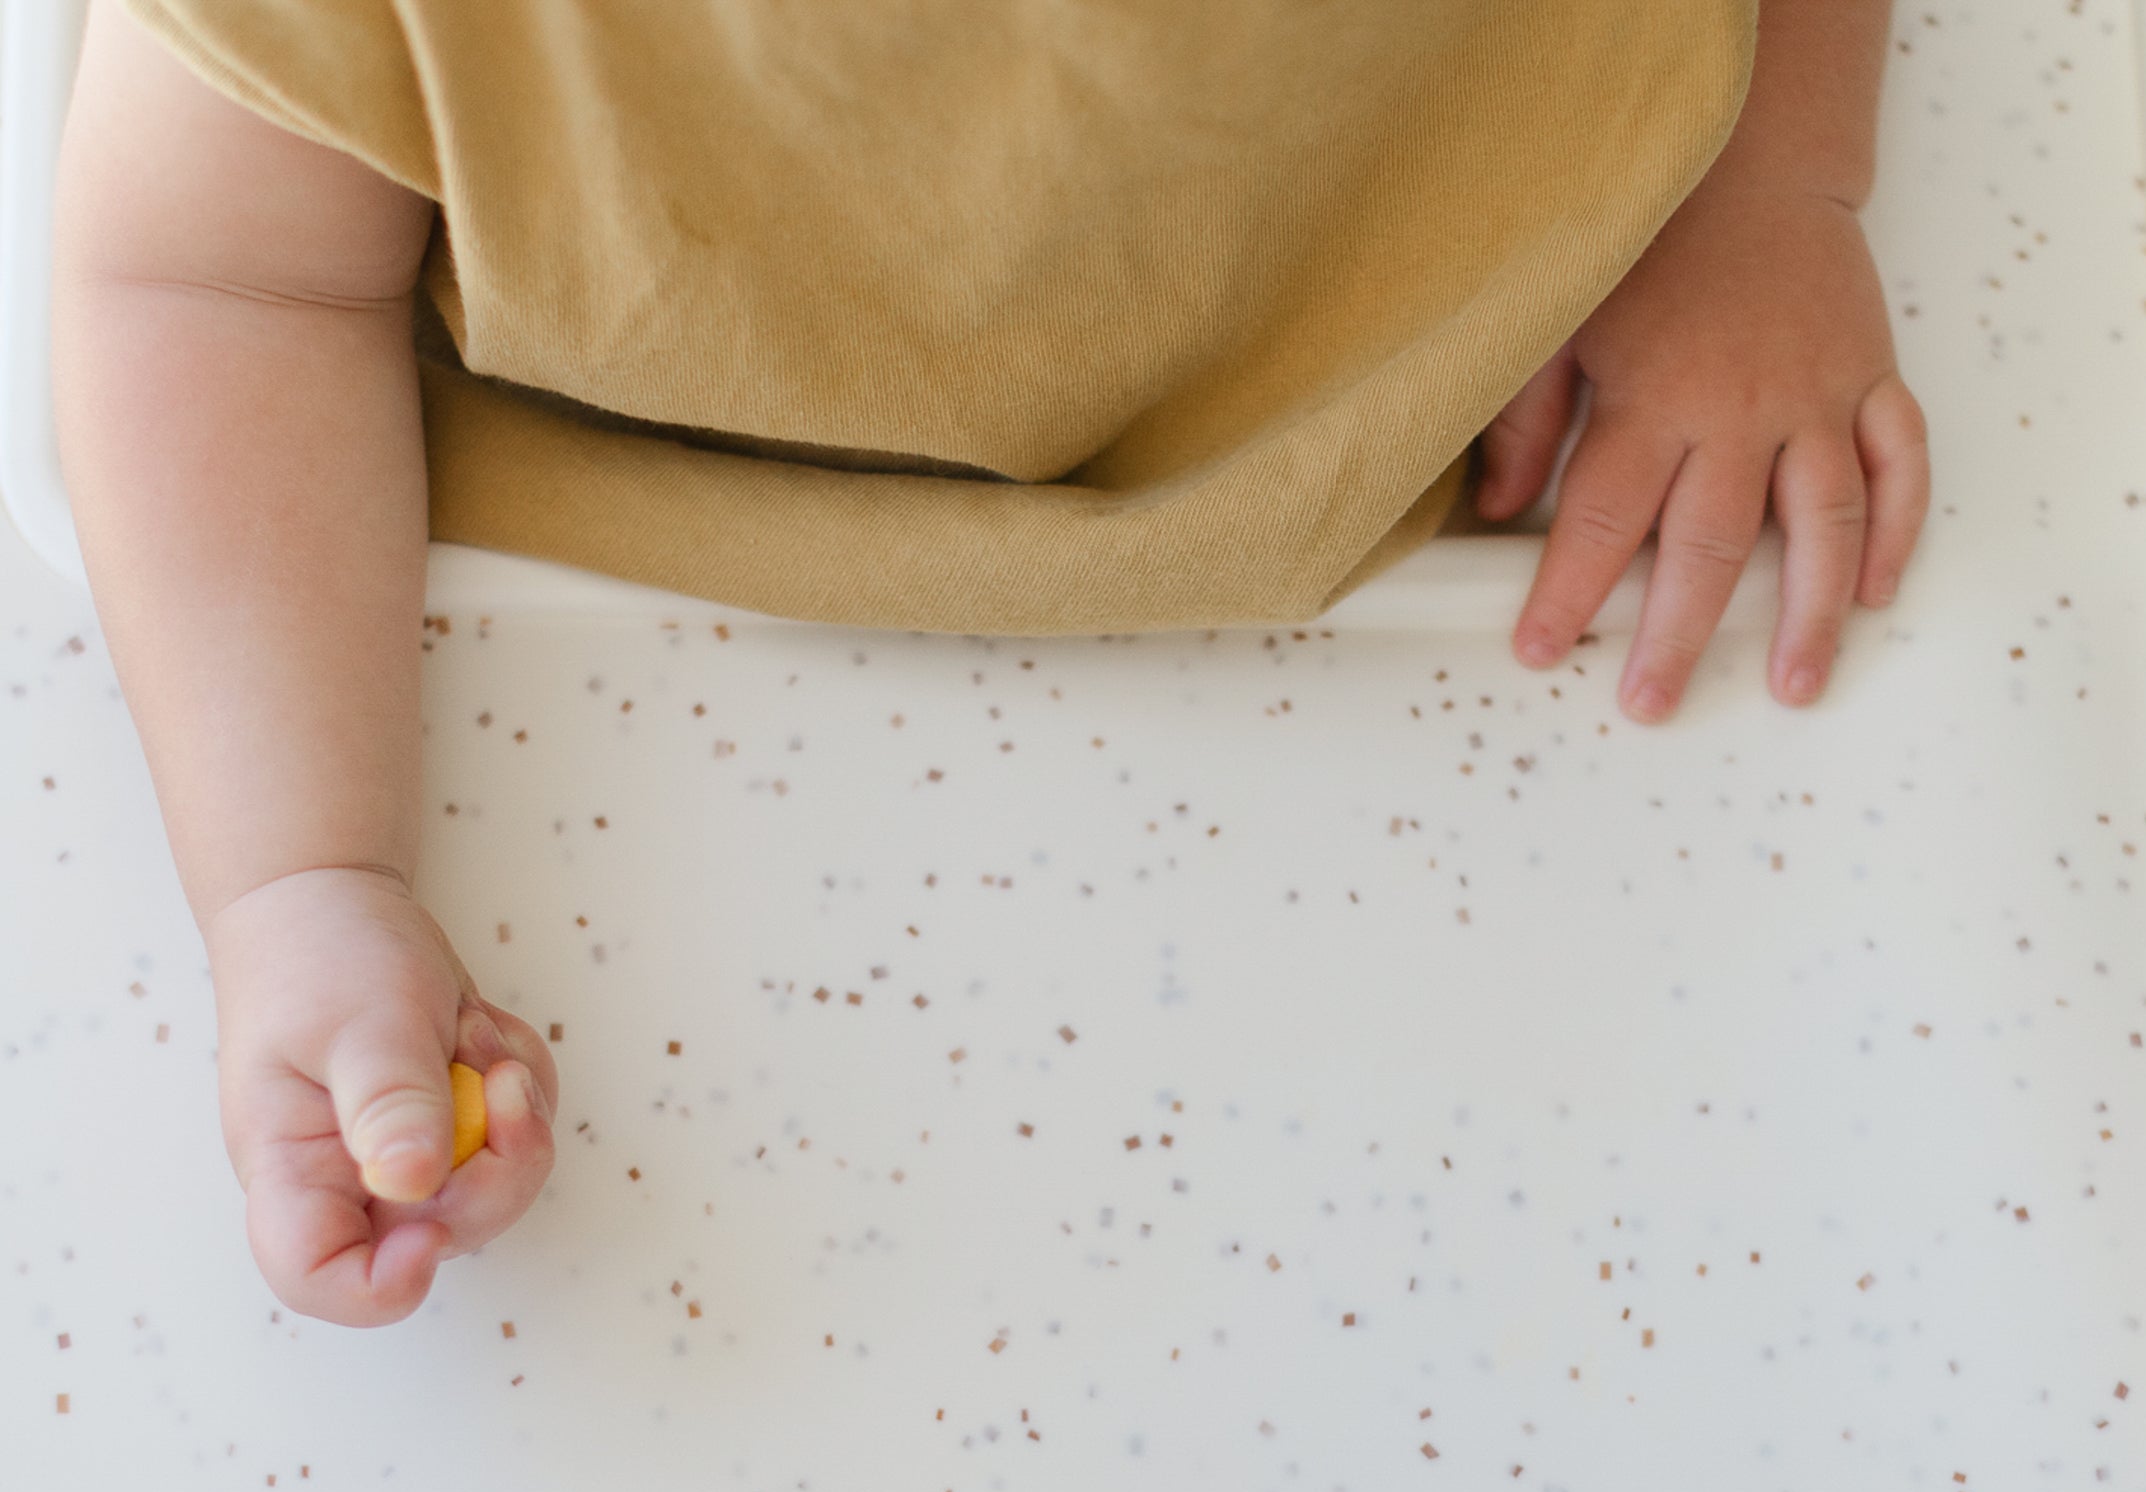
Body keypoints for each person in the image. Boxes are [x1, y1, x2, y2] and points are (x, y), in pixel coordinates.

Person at [51, 0, 1928, 1328]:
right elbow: (215, 282)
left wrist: (1763, 185)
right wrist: (303, 876)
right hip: (607, 596)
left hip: (1452, 388)